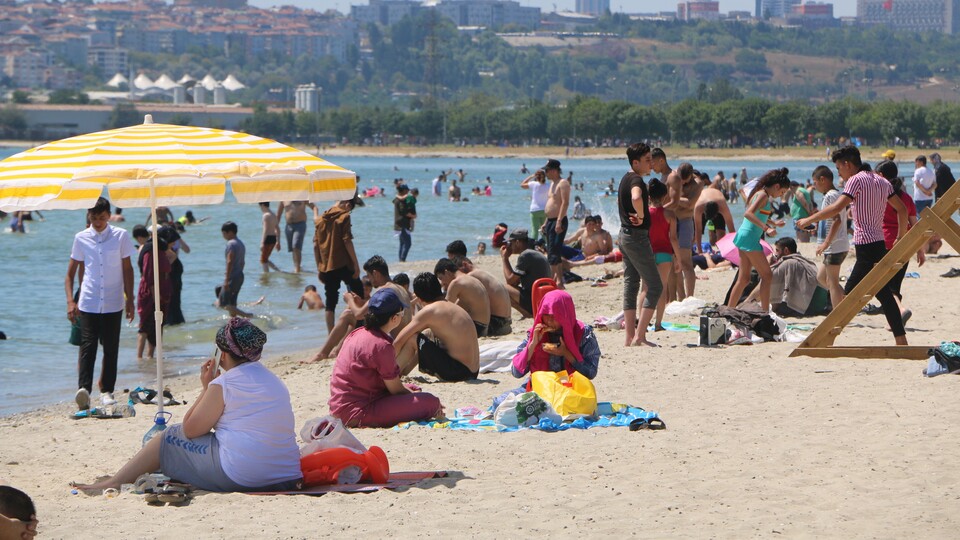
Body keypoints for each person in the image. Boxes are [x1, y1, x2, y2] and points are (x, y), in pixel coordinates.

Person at [72, 319, 303, 493]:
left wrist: (206, 388)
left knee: (168, 436)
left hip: (244, 476)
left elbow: (190, 430)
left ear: (221, 354)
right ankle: (122, 478)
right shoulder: (275, 382)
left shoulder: (224, 384)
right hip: (286, 473)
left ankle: (113, 483)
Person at [797, 145, 911, 345]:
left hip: (865, 246)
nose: (839, 174)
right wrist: (900, 238)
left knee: (847, 297)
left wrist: (809, 220)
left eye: (839, 169)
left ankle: (828, 339)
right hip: (880, 244)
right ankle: (901, 340)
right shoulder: (882, 181)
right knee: (884, 293)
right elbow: (902, 210)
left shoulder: (855, 180)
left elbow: (836, 208)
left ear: (848, 165)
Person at [328, 288, 442, 428]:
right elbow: (396, 390)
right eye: (401, 313)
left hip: (340, 406)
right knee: (431, 402)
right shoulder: (382, 345)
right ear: (394, 318)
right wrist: (414, 396)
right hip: (358, 411)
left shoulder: (357, 333)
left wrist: (409, 391)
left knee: (412, 388)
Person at [64, 197, 135, 410]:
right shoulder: (81, 238)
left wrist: (130, 298)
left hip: (114, 300)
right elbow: (69, 275)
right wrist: (70, 301)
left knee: (111, 348)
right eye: (93, 217)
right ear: (88, 215)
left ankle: (107, 391)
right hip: (88, 300)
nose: (97, 222)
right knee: (88, 346)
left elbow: (128, 269)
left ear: (109, 215)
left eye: (102, 218)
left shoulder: (120, 236)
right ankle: (84, 390)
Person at [306, 256, 410, 362]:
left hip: (392, 344)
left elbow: (358, 315)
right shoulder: (400, 288)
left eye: (369, 276)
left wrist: (349, 300)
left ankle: (323, 353)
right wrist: (361, 303)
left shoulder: (384, 291)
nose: (369, 279)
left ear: (375, 273)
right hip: (402, 342)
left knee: (348, 314)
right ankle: (336, 351)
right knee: (357, 317)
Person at [394, 273, 480, 382]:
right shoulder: (452, 306)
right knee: (427, 334)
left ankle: (391, 375)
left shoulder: (430, 310)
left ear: (419, 298)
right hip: (473, 371)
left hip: (458, 372)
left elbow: (399, 341)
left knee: (412, 339)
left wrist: (385, 365)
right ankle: (403, 372)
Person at [727, 168, 791, 312]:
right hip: (749, 238)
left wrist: (774, 223)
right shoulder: (762, 195)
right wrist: (766, 229)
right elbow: (748, 213)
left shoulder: (762, 194)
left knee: (744, 279)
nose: (781, 195)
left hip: (745, 236)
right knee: (767, 275)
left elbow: (760, 214)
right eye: (782, 192)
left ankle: (729, 310)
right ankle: (765, 312)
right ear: (776, 186)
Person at [618, 143, 663, 347]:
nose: (650, 163)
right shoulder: (636, 179)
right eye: (646, 160)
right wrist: (643, 214)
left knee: (631, 284)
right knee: (655, 285)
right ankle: (640, 336)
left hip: (625, 235)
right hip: (636, 237)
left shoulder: (625, 178)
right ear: (635, 162)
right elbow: (636, 196)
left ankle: (629, 336)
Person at [511, 290, 600, 380]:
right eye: (546, 315)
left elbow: (591, 373)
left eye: (555, 315)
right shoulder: (536, 333)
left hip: (571, 386)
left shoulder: (583, 333)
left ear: (565, 314)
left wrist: (566, 353)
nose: (549, 320)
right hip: (541, 386)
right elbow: (516, 372)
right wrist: (533, 344)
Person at [877, 159, 925, 322]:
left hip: (885, 243)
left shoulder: (880, 196)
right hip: (906, 245)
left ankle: (901, 310)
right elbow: (915, 225)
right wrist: (919, 249)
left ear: (881, 176)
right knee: (895, 285)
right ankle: (894, 321)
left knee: (884, 286)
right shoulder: (906, 197)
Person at [313, 194, 364, 333]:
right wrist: (356, 264)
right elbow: (347, 241)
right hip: (344, 264)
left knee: (330, 303)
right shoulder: (344, 217)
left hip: (326, 267)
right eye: (350, 209)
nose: (349, 212)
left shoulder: (319, 220)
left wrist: (319, 266)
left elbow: (315, 246)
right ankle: (357, 328)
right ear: (347, 204)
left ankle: (331, 334)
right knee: (358, 294)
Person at [745, 237, 822, 317]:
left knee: (768, 280)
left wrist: (768, 265)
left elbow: (767, 278)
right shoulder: (804, 262)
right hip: (816, 303)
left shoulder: (788, 263)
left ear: (786, 250)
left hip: (804, 307)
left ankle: (747, 302)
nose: (776, 254)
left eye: (777, 250)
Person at [642, 179, 681, 331]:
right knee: (662, 289)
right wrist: (677, 258)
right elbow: (673, 238)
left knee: (645, 289)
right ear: (665, 196)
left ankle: (643, 325)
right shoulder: (669, 214)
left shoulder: (645, 213)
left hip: (648, 254)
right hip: (665, 254)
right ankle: (658, 324)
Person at [811, 165, 849, 311]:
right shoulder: (834, 194)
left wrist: (825, 243)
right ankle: (846, 301)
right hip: (834, 245)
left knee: (832, 282)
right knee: (821, 278)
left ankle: (837, 315)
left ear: (822, 180)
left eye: (815, 182)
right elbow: (830, 220)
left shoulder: (831, 195)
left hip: (835, 245)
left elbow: (836, 220)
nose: (814, 186)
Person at [663, 162, 702, 300]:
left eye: (684, 181)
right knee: (674, 261)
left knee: (686, 262)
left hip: (685, 222)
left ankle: (690, 297)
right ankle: (680, 296)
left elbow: (690, 204)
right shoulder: (673, 177)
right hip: (673, 220)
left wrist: (675, 198)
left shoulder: (698, 183)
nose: (682, 183)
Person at [134, 229, 172, 361]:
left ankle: (150, 356)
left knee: (158, 324)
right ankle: (139, 357)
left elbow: (171, 259)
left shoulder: (161, 251)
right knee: (145, 324)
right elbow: (149, 274)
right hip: (151, 293)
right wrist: (155, 295)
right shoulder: (150, 251)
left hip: (162, 292)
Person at [453, 256, 513, 336]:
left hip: (496, 324)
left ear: (465, 264)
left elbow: (460, 303)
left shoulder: (472, 276)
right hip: (506, 323)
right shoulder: (482, 273)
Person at [500, 228, 551, 318]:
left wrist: (505, 258)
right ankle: (529, 313)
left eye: (510, 243)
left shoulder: (525, 255)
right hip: (543, 298)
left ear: (517, 242)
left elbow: (510, 281)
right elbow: (515, 282)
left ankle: (528, 314)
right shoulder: (534, 253)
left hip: (535, 300)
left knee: (502, 288)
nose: (509, 246)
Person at [434, 258, 491, 337]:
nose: (442, 283)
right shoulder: (471, 279)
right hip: (484, 327)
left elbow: (444, 309)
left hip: (476, 328)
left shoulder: (456, 283)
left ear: (447, 272)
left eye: (441, 278)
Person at [542, 159, 571, 288]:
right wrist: (545, 221)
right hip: (550, 221)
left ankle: (558, 280)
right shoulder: (552, 184)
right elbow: (551, 204)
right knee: (551, 250)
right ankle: (556, 278)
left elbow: (565, 203)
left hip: (559, 221)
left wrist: (559, 221)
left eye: (547, 170)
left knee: (554, 250)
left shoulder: (563, 183)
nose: (545, 173)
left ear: (554, 170)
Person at [694, 179, 736, 250]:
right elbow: (698, 230)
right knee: (696, 231)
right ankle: (697, 249)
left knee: (721, 232)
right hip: (703, 201)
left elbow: (731, 229)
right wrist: (700, 251)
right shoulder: (698, 207)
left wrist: (735, 248)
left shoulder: (722, 206)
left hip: (717, 201)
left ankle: (721, 249)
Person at [276, 201, 314, 274]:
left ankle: (297, 269)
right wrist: (276, 234)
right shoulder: (284, 199)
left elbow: (314, 207)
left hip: (300, 225)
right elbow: (278, 215)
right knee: (293, 249)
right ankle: (297, 266)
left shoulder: (302, 197)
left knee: (296, 245)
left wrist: (315, 216)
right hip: (289, 226)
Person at [520, 169, 550, 242]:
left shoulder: (533, 184)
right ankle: (546, 245)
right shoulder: (548, 186)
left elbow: (522, 185)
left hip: (535, 210)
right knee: (544, 230)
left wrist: (531, 176)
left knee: (535, 230)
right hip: (544, 210)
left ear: (536, 177)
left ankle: (533, 246)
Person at [394, 184, 416, 262]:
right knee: (408, 243)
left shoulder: (397, 199)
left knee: (402, 243)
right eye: (407, 190)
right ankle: (402, 259)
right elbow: (404, 212)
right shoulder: (400, 201)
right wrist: (413, 215)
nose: (408, 192)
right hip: (402, 224)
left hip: (398, 225)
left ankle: (401, 260)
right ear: (403, 191)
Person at [259, 202, 281, 272]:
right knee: (265, 259)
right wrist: (278, 241)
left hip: (267, 238)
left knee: (263, 260)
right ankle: (278, 271)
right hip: (273, 238)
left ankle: (266, 276)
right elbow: (277, 229)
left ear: (262, 205)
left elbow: (265, 229)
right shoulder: (273, 215)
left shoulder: (266, 215)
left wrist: (262, 242)